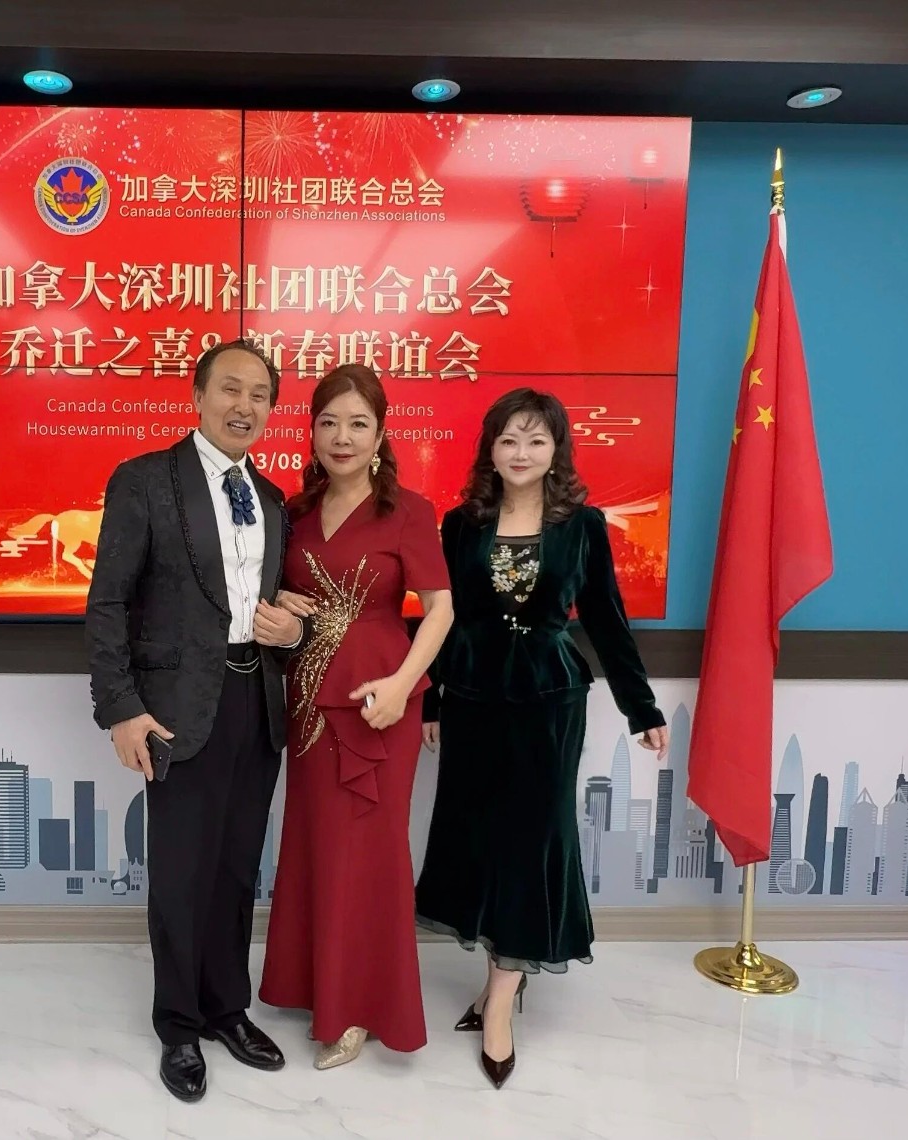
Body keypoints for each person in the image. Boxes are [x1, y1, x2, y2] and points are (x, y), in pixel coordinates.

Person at [413, 388, 669, 1090]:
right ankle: (503, 970)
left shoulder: (582, 525)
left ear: (557, 450)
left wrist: (641, 708)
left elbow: (607, 620)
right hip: (471, 697)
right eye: (508, 440)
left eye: (536, 440)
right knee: (477, 836)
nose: (521, 453)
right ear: (489, 450)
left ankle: (501, 997)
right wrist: (431, 696)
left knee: (534, 839)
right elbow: (441, 618)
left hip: (549, 703)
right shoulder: (461, 524)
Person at [84, 338, 310, 1105]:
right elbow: (108, 604)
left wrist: (295, 632)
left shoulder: (273, 499)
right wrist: (120, 708)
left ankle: (225, 1008)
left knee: (237, 870)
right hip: (177, 710)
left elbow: (274, 606)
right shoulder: (146, 480)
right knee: (182, 874)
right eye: (230, 389)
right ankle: (179, 1024)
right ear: (199, 395)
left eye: (260, 395)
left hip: (257, 701)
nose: (245, 406)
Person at [260, 364, 453, 1070]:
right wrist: (286, 604)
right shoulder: (295, 511)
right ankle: (317, 987)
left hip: (381, 702)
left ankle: (360, 1008)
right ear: (312, 432)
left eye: (358, 424)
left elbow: (441, 609)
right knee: (315, 842)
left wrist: (404, 686)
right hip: (309, 700)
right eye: (329, 422)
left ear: (380, 435)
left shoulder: (408, 511)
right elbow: (277, 595)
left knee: (370, 853)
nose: (342, 436)